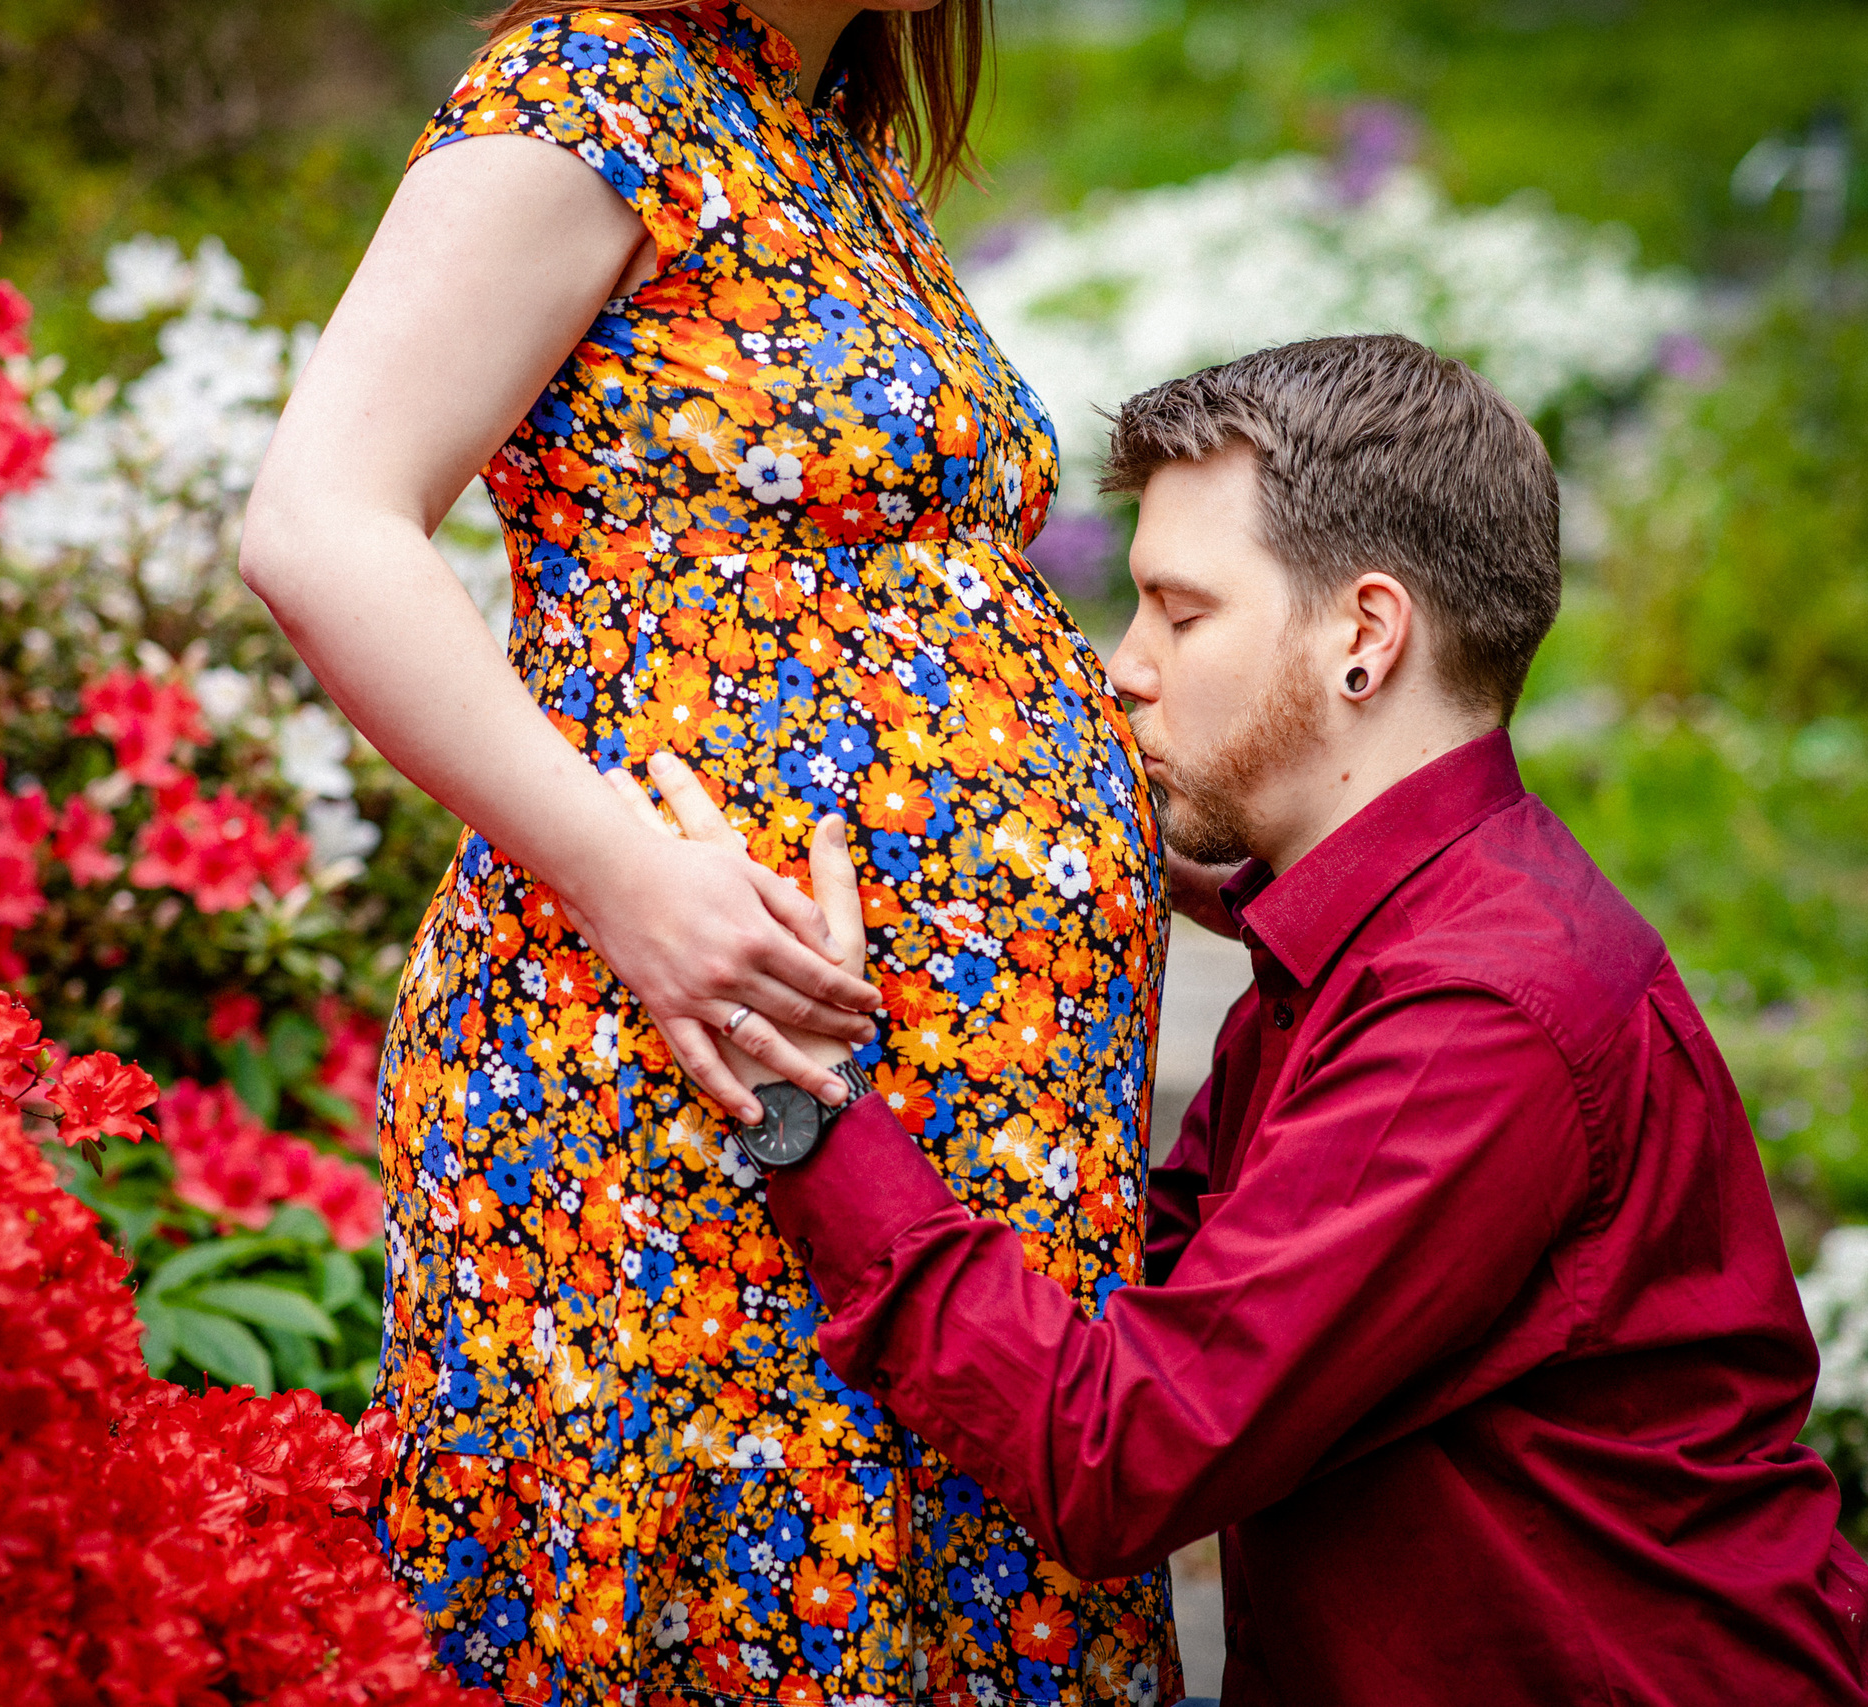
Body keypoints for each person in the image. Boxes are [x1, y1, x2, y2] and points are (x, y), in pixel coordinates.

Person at [654, 336, 1868, 1705]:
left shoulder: (1473, 1016)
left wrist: (807, 1100)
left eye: (1180, 617)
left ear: (1365, 637)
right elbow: (1153, 1290)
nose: (1121, 669)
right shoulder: (1363, 943)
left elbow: (1121, 1456)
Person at [239, 0, 1180, 1699]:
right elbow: (319, 519)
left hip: (945, 1132)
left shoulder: (831, 139)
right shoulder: (592, 90)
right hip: (681, 1083)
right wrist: (628, 875)